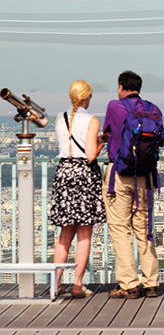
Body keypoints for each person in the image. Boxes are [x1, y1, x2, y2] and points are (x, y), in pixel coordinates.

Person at [102, 70, 162, 299]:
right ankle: (151, 282)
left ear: (121, 86)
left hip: (119, 174)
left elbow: (107, 132)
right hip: (145, 177)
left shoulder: (114, 106)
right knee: (144, 229)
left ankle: (128, 284)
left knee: (120, 229)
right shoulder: (153, 109)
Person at [50, 79, 106, 298]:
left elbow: (73, 144)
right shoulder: (92, 120)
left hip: (64, 173)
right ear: (86, 97)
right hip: (84, 175)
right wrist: (103, 141)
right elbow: (91, 154)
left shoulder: (59, 117)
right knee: (84, 234)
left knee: (64, 235)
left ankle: (55, 283)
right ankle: (77, 284)